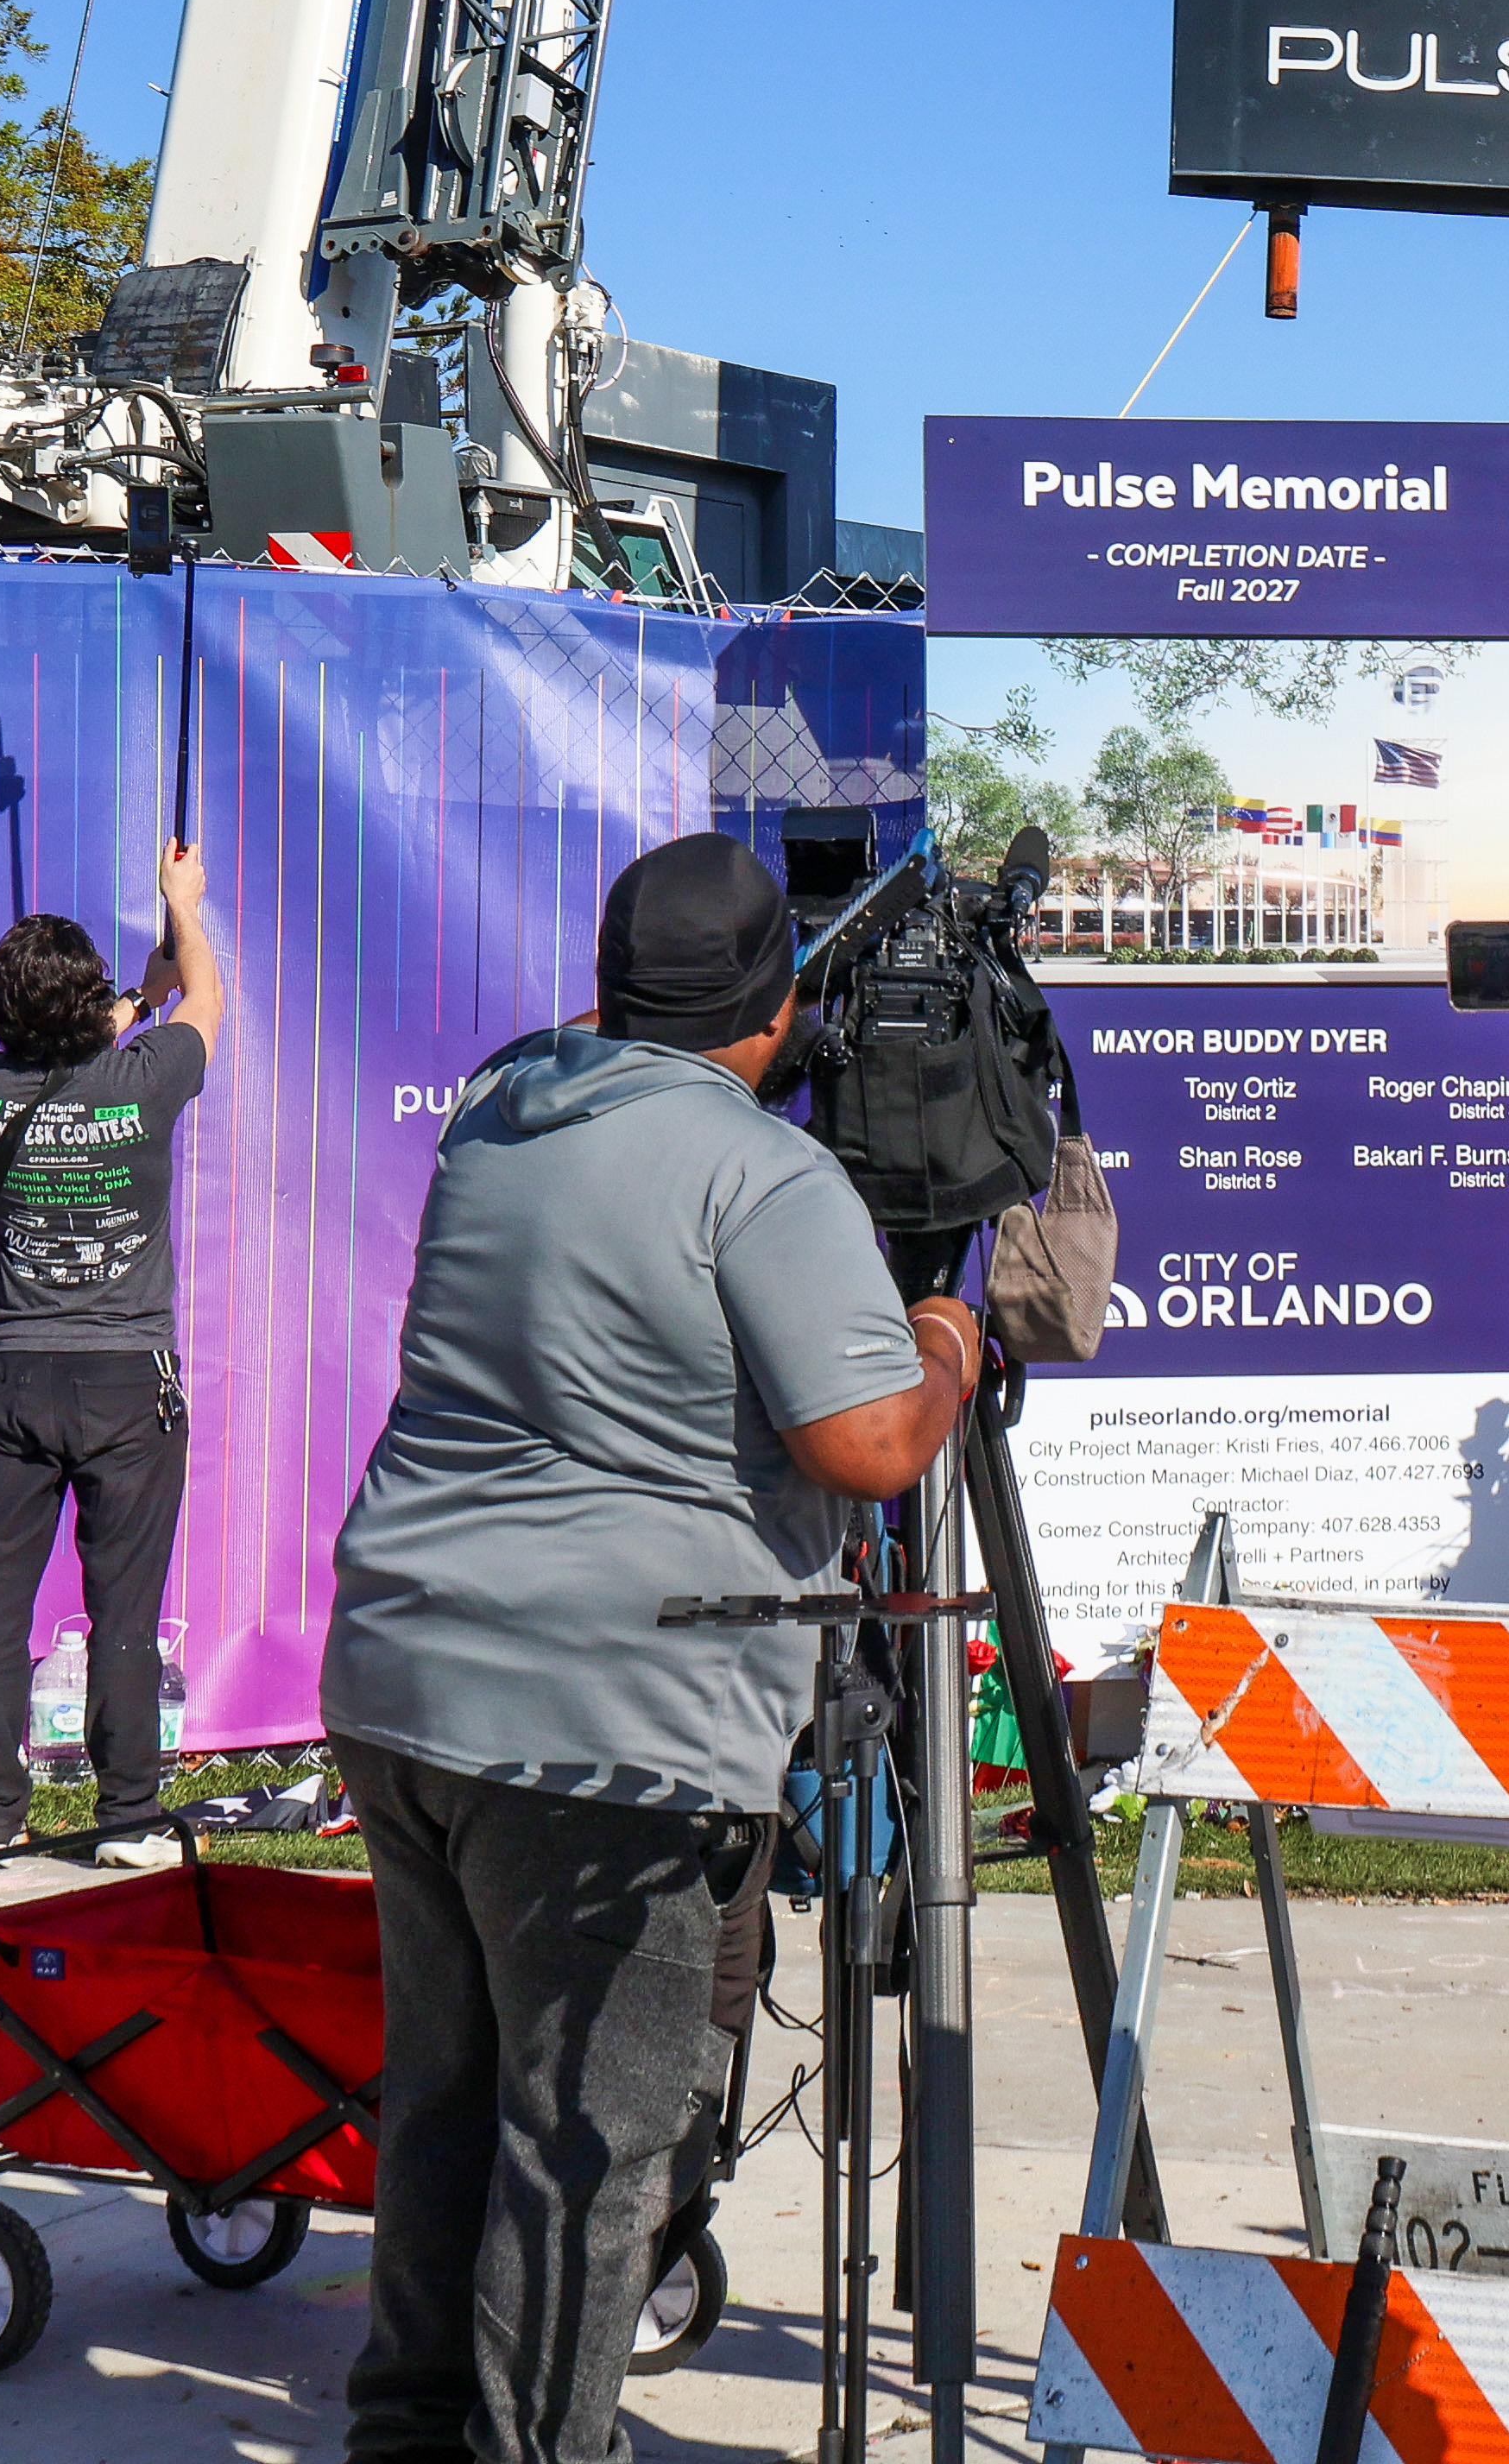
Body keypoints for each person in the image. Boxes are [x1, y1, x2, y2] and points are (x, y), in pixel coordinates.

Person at [323, 831, 980, 2464]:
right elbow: (871, 1442)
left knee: (452, 2101)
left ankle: (409, 2433)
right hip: (606, 1723)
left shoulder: (502, 1107)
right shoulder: (761, 1172)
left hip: (408, 1672)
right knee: (590, 2139)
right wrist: (953, 1335)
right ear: (774, 1008)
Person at [0, 837, 225, 1866]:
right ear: (91, 1008)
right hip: (125, 1385)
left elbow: (74, 1047)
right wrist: (183, 906)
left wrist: (123, 1001)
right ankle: (125, 1823)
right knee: (123, 1608)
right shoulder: (147, 1080)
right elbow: (202, 1001)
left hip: (16, 1378)